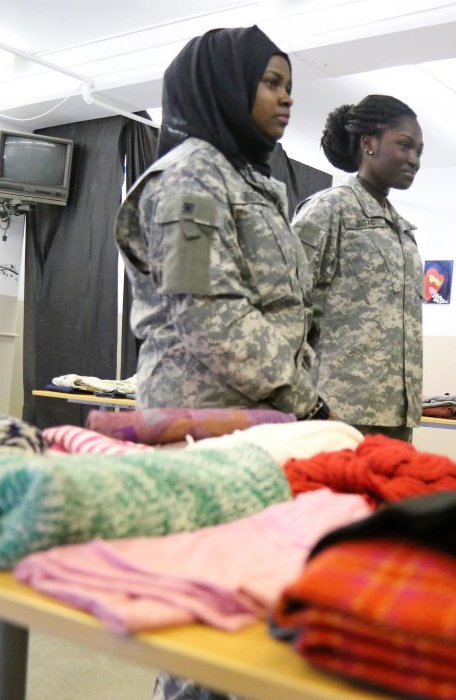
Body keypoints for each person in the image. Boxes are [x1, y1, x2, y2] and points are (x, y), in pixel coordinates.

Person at [114, 25, 325, 700]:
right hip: (202, 425)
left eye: (289, 85)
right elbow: (208, 316)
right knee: (203, 619)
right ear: (223, 87)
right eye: (270, 83)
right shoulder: (189, 176)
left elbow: (287, 308)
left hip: (254, 422)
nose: (286, 99)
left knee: (243, 609)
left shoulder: (249, 179)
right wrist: (303, 391)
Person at [292, 95, 423, 442]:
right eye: (405, 146)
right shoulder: (329, 210)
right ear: (369, 144)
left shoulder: (402, 230)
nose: (414, 159)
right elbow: (287, 307)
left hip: (397, 412)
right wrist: (303, 400)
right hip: (336, 411)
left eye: (419, 151)